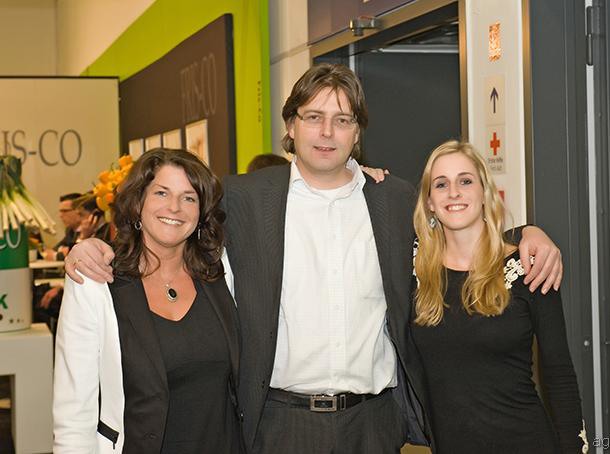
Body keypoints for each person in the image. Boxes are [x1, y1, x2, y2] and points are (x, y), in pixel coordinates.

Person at [65, 64, 563, 454]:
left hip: (374, 422)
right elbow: (174, 224)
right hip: (279, 424)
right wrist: (96, 245)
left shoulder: (393, 200)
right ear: (291, 125)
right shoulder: (242, 199)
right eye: (313, 117)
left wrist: (526, 235)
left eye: (342, 120)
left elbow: (459, 231)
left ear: (357, 133)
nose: (327, 132)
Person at [53, 149, 243, 453]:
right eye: (161, 193)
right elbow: (73, 412)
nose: (174, 207)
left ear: (201, 211)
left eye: (189, 197)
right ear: (138, 202)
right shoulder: (96, 282)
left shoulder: (221, 272)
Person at [410, 140, 586, 453]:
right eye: (441, 184)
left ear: (485, 193)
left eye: (466, 181)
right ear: (429, 203)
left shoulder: (529, 267)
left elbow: (559, 375)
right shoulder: (415, 272)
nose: (454, 192)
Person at [42, 192, 82, 260]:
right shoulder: (70, 230)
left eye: (65, 211)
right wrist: (61, 250)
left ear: (79, 211)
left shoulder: (89, 230)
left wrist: (56, 256)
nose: (60, 215)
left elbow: (79, 255)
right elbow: (55, 249)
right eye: (60, 211)